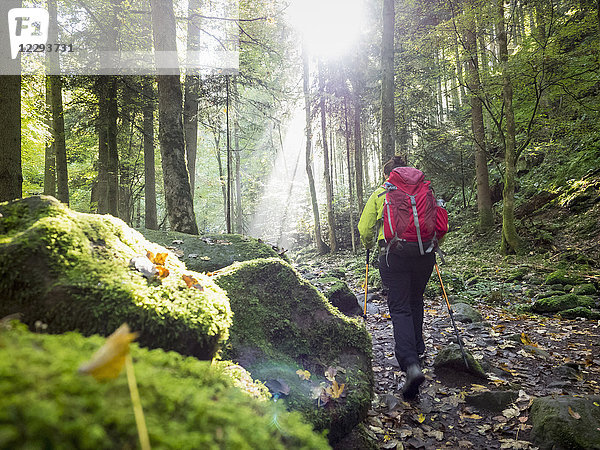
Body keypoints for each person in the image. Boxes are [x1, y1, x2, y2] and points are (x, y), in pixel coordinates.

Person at [358, 155, 448, 400]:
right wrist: (431, 246)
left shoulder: (381, 193)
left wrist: (369, 244)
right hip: (424, 254)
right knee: (416, 300)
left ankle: (410, 364)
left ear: (388, 174)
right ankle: (418, 349)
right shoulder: (425, 191)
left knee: (399, 307)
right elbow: (440, 224)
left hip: (393, 255)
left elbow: (364, 228)